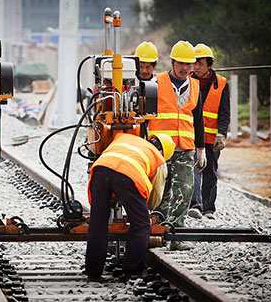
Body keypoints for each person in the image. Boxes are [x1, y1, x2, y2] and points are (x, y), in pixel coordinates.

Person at [85, 132, 175, 282]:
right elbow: (155, 196)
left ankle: (93, 272)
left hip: (100, 169)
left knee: (98, 223)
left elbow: (113, 165)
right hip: (128, 176)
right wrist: (146, 211)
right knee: (141, 225)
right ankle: (131, 272)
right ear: (162, 152)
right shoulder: (158, 158)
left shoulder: (125, 137)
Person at [148, 40, 205, 251]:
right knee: (161, 191)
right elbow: (147, 117)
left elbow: (198, 119)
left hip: (186, 148)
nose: (185, 68)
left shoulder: (196, 86)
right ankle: (159, 229)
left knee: (186, 189)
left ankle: (176, 234)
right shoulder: (156, 83)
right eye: (181, 63)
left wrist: (201, 149)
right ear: (172, 62)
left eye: (189, 64)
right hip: (161, 148)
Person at [188, 43, 230, 220]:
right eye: (194, 63)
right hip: (192, 134)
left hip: (212, 138)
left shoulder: (221, 84)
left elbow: (224, 112)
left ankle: (208, 208)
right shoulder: (188, 81)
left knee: (210, 172)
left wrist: (222, 134)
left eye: (200, 63)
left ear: (209, 64)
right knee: (194, 169)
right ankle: (195, 205)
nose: (196, 67)